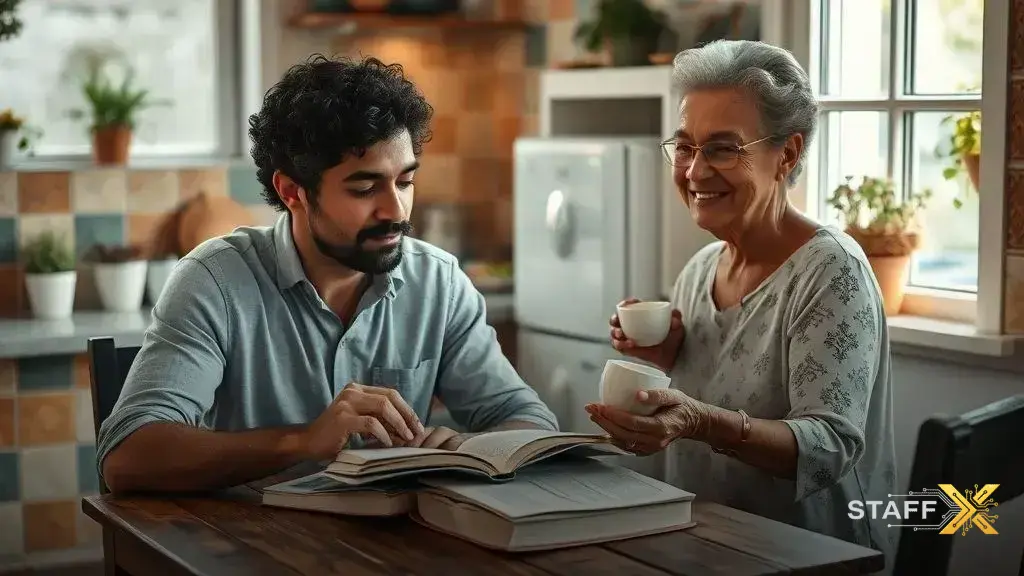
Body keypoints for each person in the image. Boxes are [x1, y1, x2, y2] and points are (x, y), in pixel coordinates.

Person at [96, 55, 558, 495]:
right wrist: (302, 441)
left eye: (405, 182)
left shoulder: (439, 284)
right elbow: (126, 456)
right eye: (364, 187)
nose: (395, 210)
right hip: (250, 549)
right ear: (292, 191)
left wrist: (469, 448)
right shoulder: (213, 281)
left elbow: (528, 419)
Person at [586, 40, 898, 565]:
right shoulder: (701, 269)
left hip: (810, 558)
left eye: (723, 148)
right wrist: (670, 360)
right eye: (685, 146)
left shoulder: (831, 272)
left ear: (788, 154)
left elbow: (829, 446)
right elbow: (711, 388)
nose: (695, 172)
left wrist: (697, 420)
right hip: (707, 549)